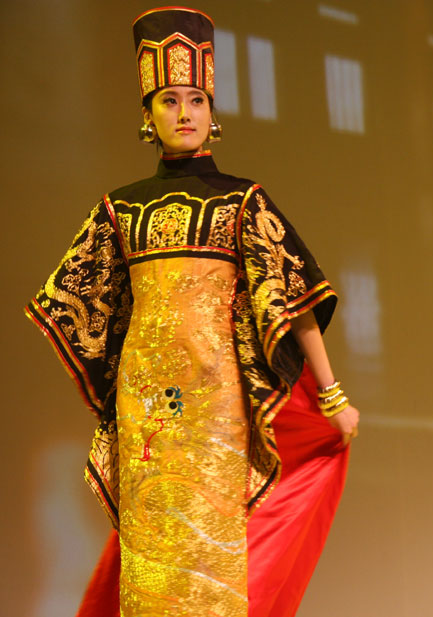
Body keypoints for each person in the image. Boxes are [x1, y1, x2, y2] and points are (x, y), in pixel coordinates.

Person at [25, 7, 358, 617]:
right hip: (146, 410)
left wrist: (332, 396)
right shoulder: (120, 209)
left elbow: (292, 299)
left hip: (219, 407)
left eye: (196, 100)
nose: (184, 113)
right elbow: (75, 304)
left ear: (212, 113)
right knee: (151, 563)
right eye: (170, 100)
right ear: (148, 115)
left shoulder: (242, 201)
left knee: (211, 558)